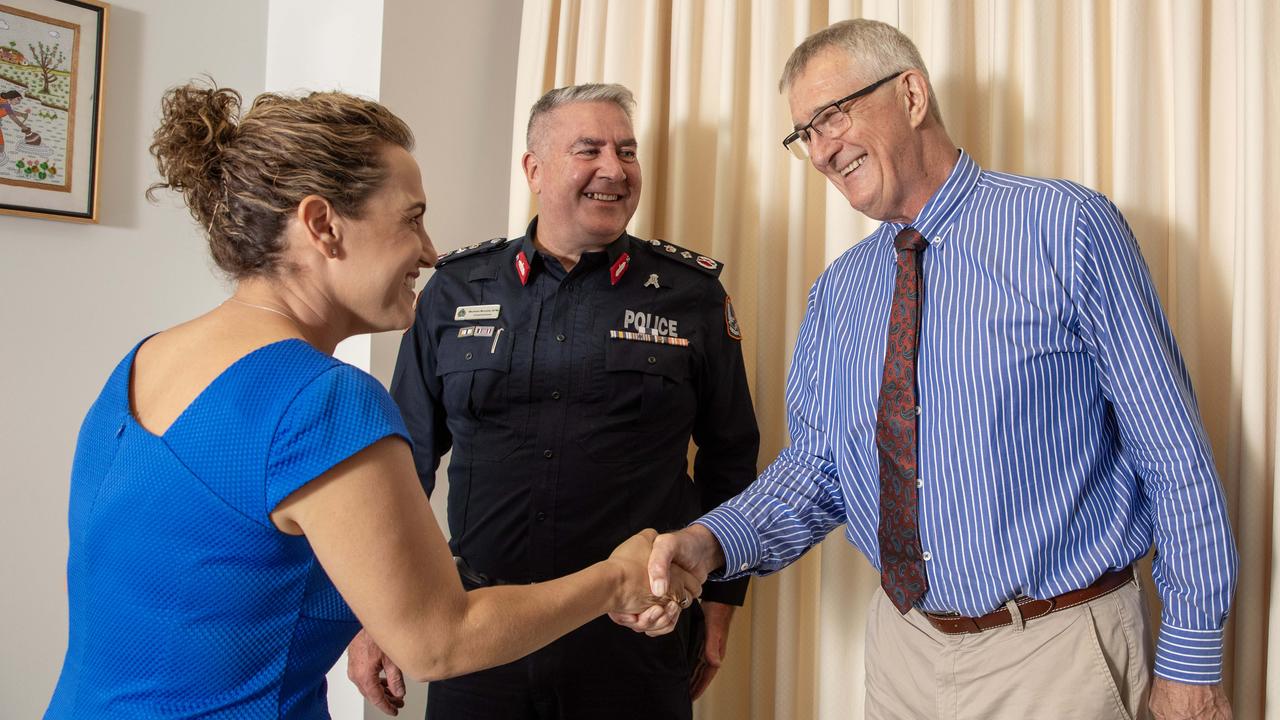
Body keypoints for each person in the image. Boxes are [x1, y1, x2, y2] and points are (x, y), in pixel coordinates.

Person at [637, 19, 1238, 720]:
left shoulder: (1065, 228)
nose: (823, 151)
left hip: (1060, 655)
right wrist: (707, 544)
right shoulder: (838, 293)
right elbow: (819, 470)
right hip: (903, 656)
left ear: (912, 95)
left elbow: (1173, 452)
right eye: (805, 135)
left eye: (831, 116)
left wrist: (1192, 660)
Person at [43, 81, 700, 719]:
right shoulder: (322, 403)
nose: (430, 250)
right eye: (411, 219)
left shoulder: (143, 360)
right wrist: (617, 579)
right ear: (323, 225)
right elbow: (441, 639)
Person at [347, 83, 760, 719]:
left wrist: (721, 603)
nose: (614, 170)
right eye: (588, 150)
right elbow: (401, 468)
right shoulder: (456, 289)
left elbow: (731, 455)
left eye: (627, 151)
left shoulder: (690, 295)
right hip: (479, 632)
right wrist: (379, 615)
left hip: (634, 637)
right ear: (534, 170)